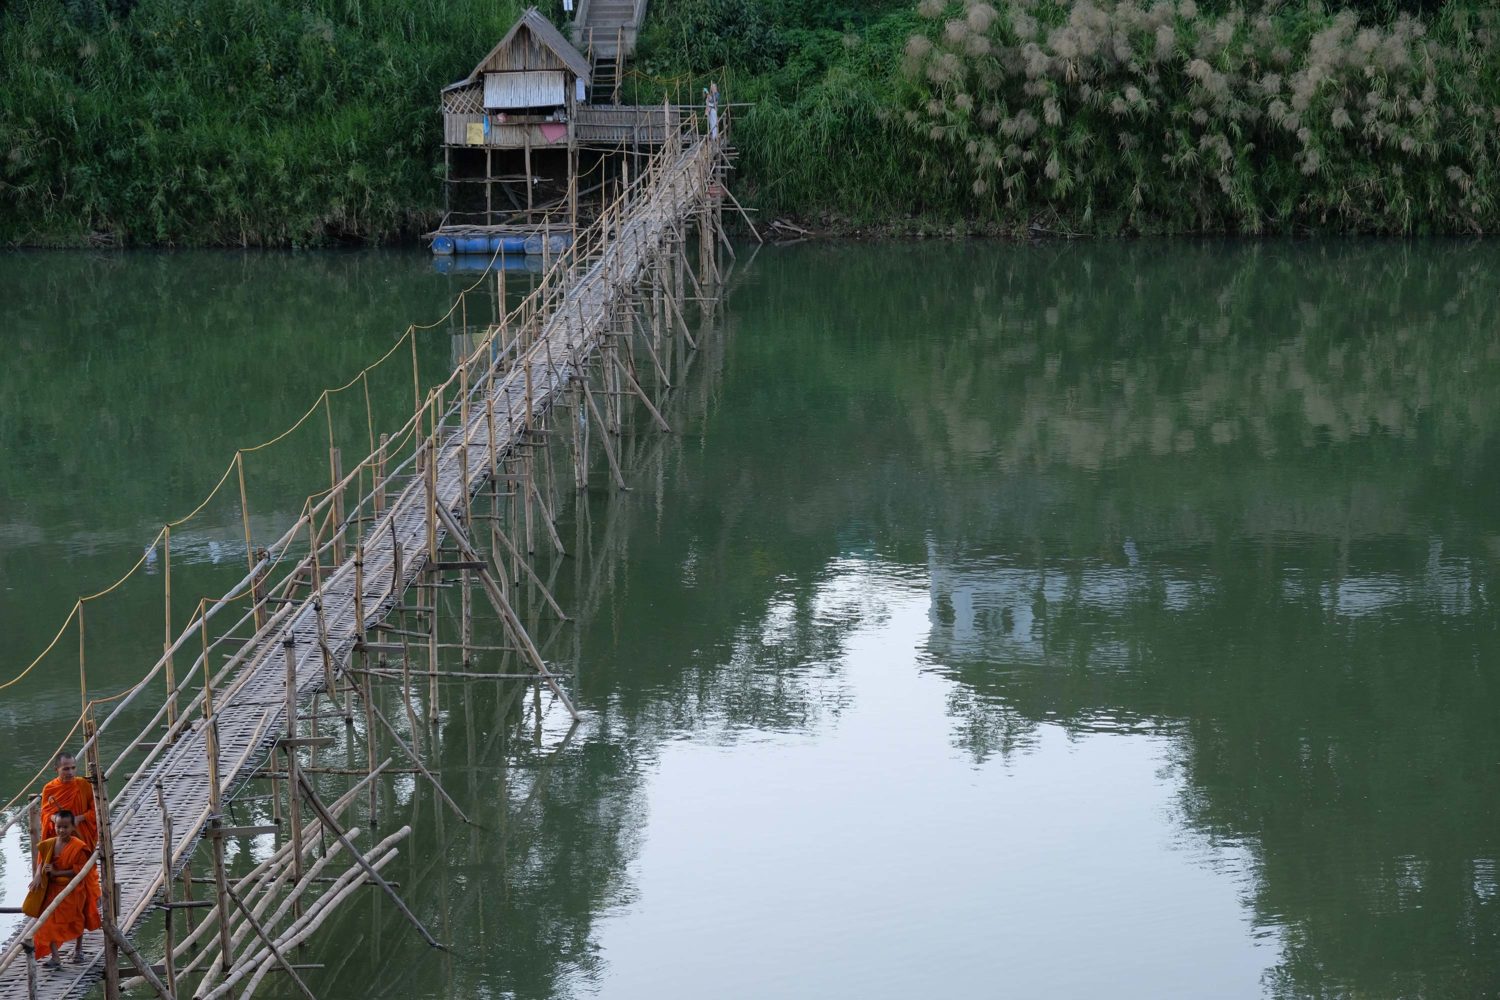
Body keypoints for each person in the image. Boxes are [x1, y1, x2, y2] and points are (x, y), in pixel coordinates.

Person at [39, 754, 101, 940]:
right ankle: (56, 944)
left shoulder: (83, 785)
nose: (71, 772)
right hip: (59, 845)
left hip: (80, 842)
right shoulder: (50, 789)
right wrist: (59, 822)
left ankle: (79, 944)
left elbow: (95, 810)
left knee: (82, 891)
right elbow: (45, 815)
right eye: (66, 768)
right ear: (56, 769)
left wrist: (77, 819)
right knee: (53, 901)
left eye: (73, 767)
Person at [30, 810, 94, 967]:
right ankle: (55, 957)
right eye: (59, 827)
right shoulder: (50, 843)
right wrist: (38, 874)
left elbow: (81, 869)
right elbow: (42, 860)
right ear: (55, 826)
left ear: (73, 827)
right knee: (47, 922)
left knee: (77, 920)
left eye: (65, 827)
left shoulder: (79, 846)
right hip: (53, 889)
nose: (61, 830)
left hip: (73, 888)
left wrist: (58, 872)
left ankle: (78, 949)